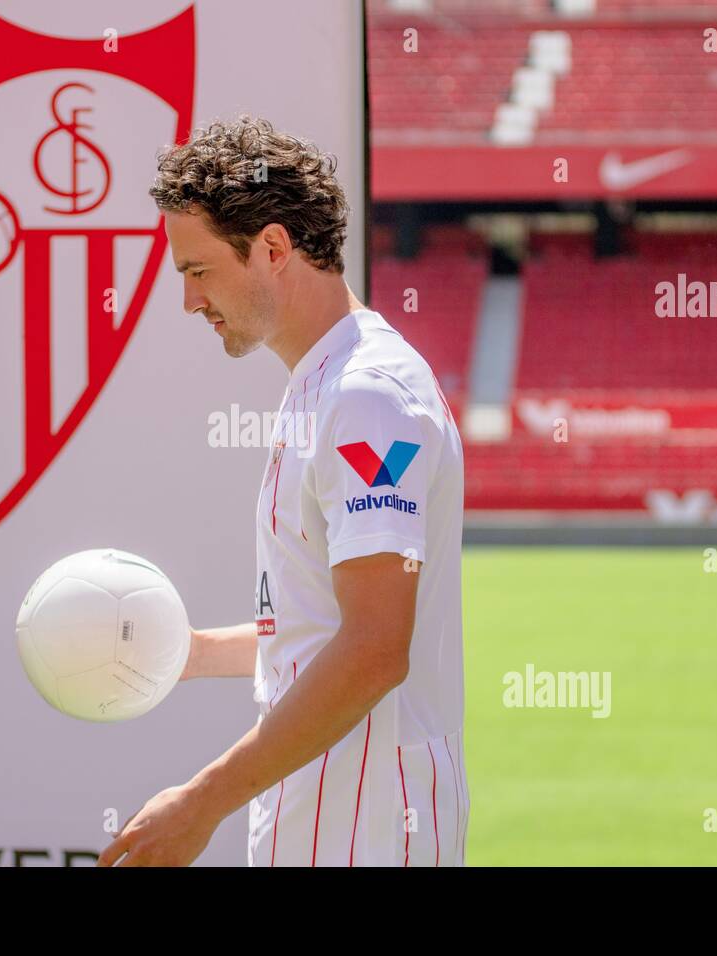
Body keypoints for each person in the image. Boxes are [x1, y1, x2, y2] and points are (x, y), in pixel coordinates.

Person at [97, 116, 467, 866]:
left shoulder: (368, 396)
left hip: (368, 839)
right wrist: (191, 653)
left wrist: (200, 804)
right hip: (317, 831)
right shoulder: (323, 386)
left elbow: (372, 650)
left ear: (271, 249)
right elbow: (316, 628)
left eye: (196, 271)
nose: (189, 302)